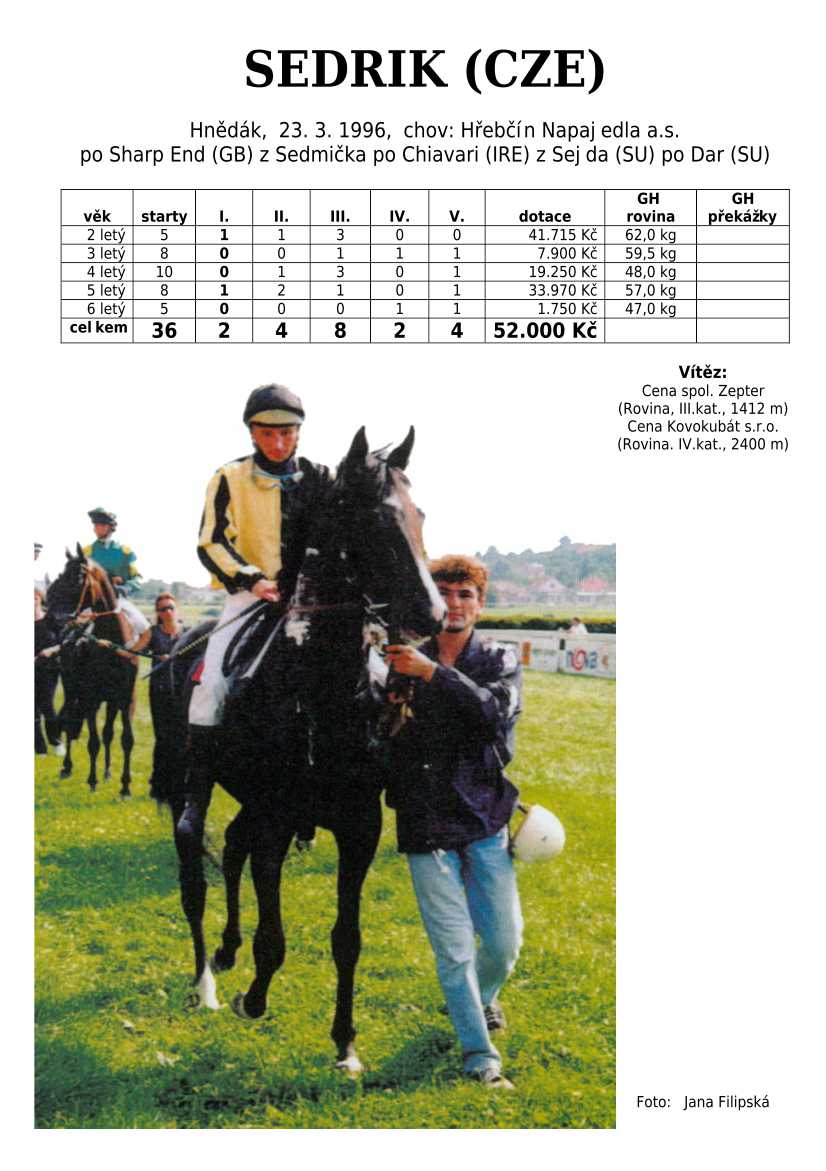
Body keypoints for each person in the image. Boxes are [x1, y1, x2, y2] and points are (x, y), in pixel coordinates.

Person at [383, 555, 524, 1090]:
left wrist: (432, 675)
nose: (454, 603)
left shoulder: (499, 658)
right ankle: (479, 1057)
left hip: (484, 817)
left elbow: (492, 715)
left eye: (465, 594)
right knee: (455, 949)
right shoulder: (400, 660)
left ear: (480, 604)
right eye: (444, 593)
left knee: (504, 943)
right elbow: (382, 734)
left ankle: (481, 999)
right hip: (425, 822)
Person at [179, 383, 331, 836]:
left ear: (299, 432)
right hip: (251, 596)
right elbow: (211, 541)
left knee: (374, 672)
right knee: (211, 682)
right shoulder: (228, 477)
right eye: (268, 434)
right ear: (252, 433)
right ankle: (196, 797)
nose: (279, 443)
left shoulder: (321, 476)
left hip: (313, 599)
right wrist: (253, 580)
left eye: (287, 433)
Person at [83, 508, 150, 650]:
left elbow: (136, 579)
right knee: (73, 633)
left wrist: (124, 587)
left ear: (111, 527)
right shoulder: (86, 552)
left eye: (101, 525)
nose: (97, 528)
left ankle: (133, 655)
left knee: (144, 628)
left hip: (118, 601)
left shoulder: (124, 552)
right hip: (92, 603)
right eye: (95, 525)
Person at [146, 593, 187, 799]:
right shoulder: (153, 632)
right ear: (158, 613)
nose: (168, 612)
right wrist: (110, 645)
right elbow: (132, 651)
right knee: (163, 737)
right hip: (160, 691)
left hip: (182, 691)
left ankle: (180, 781)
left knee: (182, 736)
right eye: (163, 609)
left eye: (171, 607)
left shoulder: (188, 632)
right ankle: (158, 782)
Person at [34, 587, 64, 756]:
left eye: (34, 597)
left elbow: (64, 642)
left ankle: (55, 741)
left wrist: (50, 651)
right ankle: (39, 749)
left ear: (40, 599)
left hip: (49, 669)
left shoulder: (51, 619)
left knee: (47, 705)